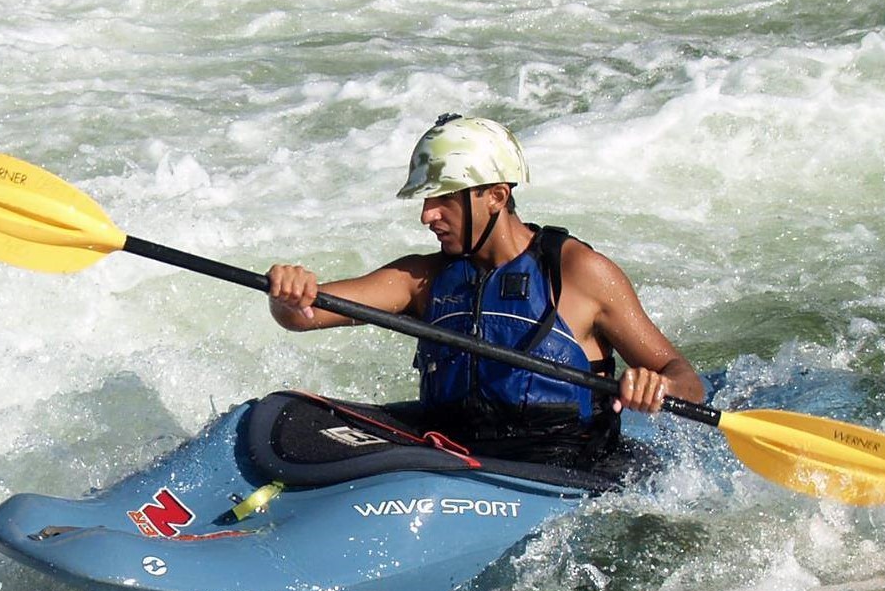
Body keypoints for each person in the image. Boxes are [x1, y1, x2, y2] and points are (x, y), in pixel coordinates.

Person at [266, 114, 705, 470]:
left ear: (496, 196)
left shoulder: (578, 273)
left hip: (560, 463)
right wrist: (290, 295)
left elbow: (685, 378)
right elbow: (305, 315)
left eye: (443, 199)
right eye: (424, 200)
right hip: (455, 453)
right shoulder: (422, 279)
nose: (427, 216)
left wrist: (657, 386)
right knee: (291, 416)